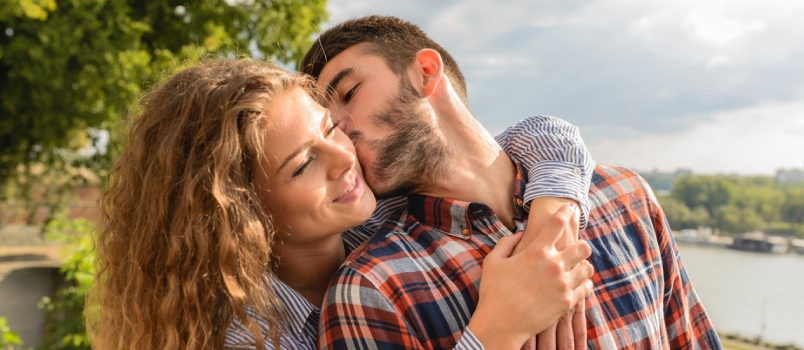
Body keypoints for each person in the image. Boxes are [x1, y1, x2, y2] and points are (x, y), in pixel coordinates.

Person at [88, 58, 597, 350]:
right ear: (238, 213)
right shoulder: (242, 340)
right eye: (302, 164)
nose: (345, 158)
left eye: (331, 128)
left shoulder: (381, 213)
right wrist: (496, 331)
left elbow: (540, 136)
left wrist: (551, 226)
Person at [300, 15, 723, 349]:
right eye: (328, 124)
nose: (340, 127)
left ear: (426, 72)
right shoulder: (372, 288)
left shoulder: (626, 196)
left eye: (350, 92)